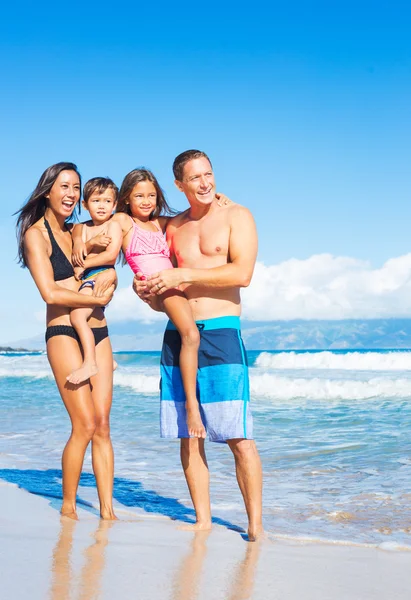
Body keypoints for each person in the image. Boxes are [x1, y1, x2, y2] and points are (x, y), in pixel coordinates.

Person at [134, 150, 263, 540]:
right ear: (180, 185)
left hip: (222, 332)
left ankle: (256, 526)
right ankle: (203, 521)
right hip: (179, 332)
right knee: (188, 434)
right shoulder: (172, 227)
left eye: (209, 174)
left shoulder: (236, 215)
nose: (206, 183)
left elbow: (242, 274)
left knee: (238, 436)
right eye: (195, 178)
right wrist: (149, 293)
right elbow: (157, 275)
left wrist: (183, 273)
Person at [16, 162, 117, 520]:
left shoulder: (78, 230)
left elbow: (131, 223)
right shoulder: (36, 235)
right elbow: (49, 292)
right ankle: (70, 506)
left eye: (76, 187)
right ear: (47, 191)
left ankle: (107, 512)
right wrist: (96, 299)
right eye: (64, 186)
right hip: (62, 332)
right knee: (85, 424)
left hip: (98, 331)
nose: (72, 194)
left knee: (103, 424)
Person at [112, 168, 206, 438]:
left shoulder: (159, 224)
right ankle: (191, 405)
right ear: (127, 198)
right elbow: (100, 225)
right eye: (139, 195)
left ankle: (192, 395)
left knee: (190, 335)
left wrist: (221, 199)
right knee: (190, 335)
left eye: (151, 195)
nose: (146, 201)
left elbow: (190, 215)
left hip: (172, 283)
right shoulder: (123, 221)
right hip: (159, 285)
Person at [69, 177, 123, 385]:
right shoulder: (79, 228)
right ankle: (109, 359)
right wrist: (90, 243)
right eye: (96, 201)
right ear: (84, 204)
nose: (102, 206)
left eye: (108, 201)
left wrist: (84, 264)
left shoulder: (113, 226)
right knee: (92, 319)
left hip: (100, 277)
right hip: (86, 281)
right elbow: (77, 251)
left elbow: (110, 257)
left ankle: (90, 362)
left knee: (77, 317)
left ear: (115, 204)